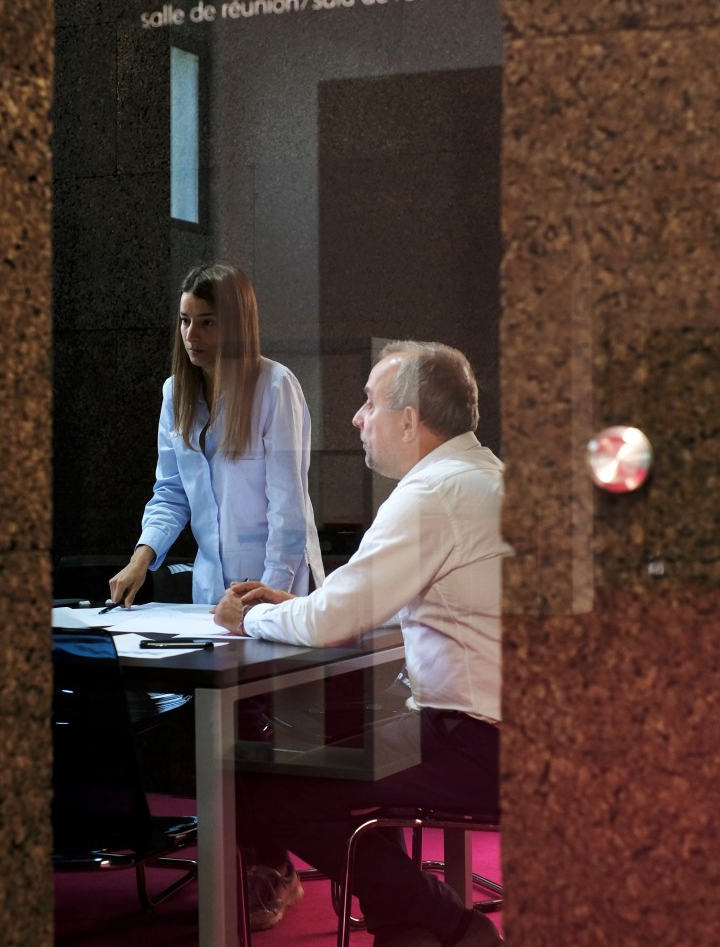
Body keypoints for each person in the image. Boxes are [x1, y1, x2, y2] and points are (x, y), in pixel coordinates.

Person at [214, 340, 508, 947]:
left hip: (481, 743)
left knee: (278, 796)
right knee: (355, 750)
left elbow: (333, 622)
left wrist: (250, 618)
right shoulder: (483, 477)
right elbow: (367, 603)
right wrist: (297, 606)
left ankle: (450, 925)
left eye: (370, 402)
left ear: (410, 420)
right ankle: (412, 931)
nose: (356, 418)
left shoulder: (432, 495)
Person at [109, 263, 324, 608]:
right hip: (210, 588)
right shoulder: (175, 393)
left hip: (276, 582)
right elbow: (171, 493)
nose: (191, 335)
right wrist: (140, 559)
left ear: (235, 326)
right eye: (185, 321)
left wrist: (264, 597)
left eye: (207, 322)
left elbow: (287, 510)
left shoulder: (274, 386)